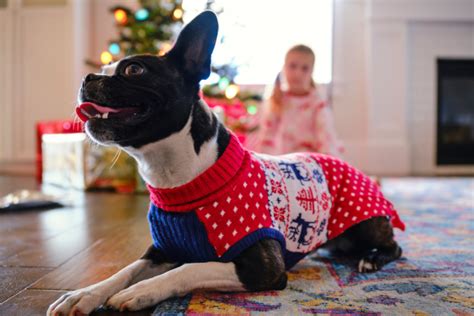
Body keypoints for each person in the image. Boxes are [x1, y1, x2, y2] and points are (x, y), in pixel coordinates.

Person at [255, 45, 343, 157]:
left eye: (304, 68)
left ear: (312, 71)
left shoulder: (317, 104)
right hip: (284, 161)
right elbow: (267, 136)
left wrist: (329, 166)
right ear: (284, 67)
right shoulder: (278, 99)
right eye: (292, 66)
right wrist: (262, 163)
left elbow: (326, 138)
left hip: (311, 162)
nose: (298, 73)